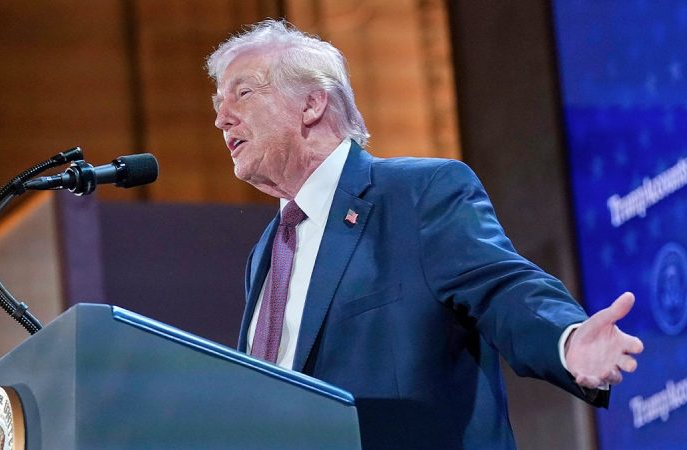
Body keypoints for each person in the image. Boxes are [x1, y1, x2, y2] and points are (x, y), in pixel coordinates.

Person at [206, 20, 643, 449]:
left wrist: (566, 339)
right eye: (218, 104)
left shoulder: (417, 193)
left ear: (312, 104)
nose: (222, 119)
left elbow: (502, 288)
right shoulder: (267, 252)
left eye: (242, 94)